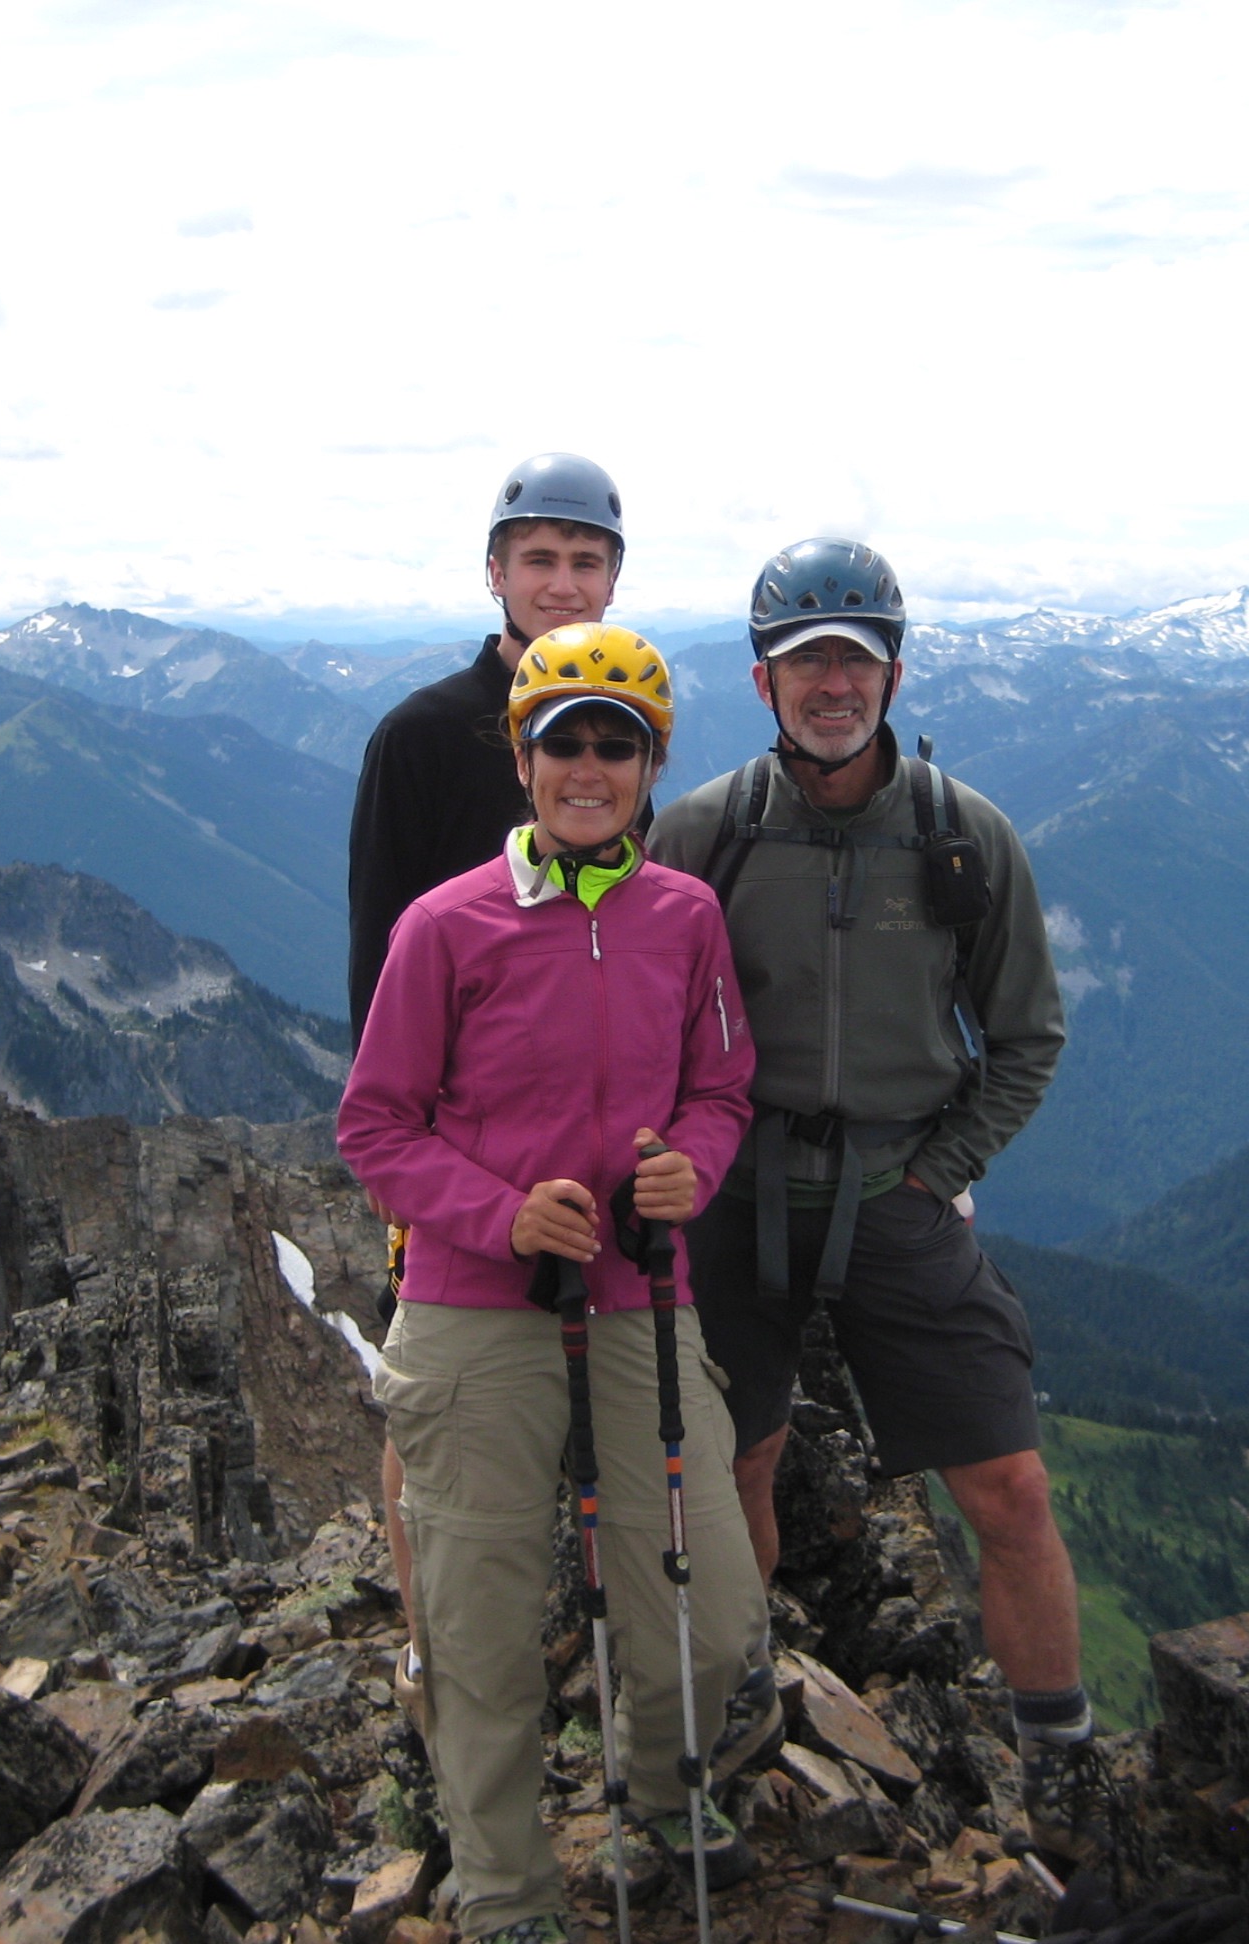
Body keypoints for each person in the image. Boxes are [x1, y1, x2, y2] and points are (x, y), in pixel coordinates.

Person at [646, 538, 1097, 1861]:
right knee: (737, 1465)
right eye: (806, 664)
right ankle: (738, 1705)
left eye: (855, 660)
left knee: (1009, 1487)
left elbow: (1027, 1036)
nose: (832, 685)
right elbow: (637, 1019)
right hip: (735, 1191)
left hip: (897, 1195)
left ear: (894, 675)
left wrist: (942, 1172)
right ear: (762, 682)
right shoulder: (708, 833)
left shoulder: (963, 837)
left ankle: (1061, 1761)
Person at [338, 625, 767, 1944]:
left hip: (640, 1295)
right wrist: (502, 1212)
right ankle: (510, 1896)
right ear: (523, 761)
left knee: (710, 1614)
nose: (590, 767)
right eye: (563, 742)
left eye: (616, 746)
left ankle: (663, 1787)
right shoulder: (444, 927)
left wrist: (690, 1167)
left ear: (651, 766)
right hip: (475, 1307)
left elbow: (721, 1087)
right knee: (478, 1629)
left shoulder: (685, 919)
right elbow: (375, 1126)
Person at [345, 453, 627, 1741]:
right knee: (436, 1381)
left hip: (583, 1134)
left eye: (586, 561)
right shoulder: (420, 737)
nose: (563, 583)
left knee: (579, 1367)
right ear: (497, 572)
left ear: (613, 579)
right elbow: (376, 954)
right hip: (454, 1143)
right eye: (541, 559)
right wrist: (402, 1157)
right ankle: (433, 1648)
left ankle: (575, 1628)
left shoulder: (616, 726)